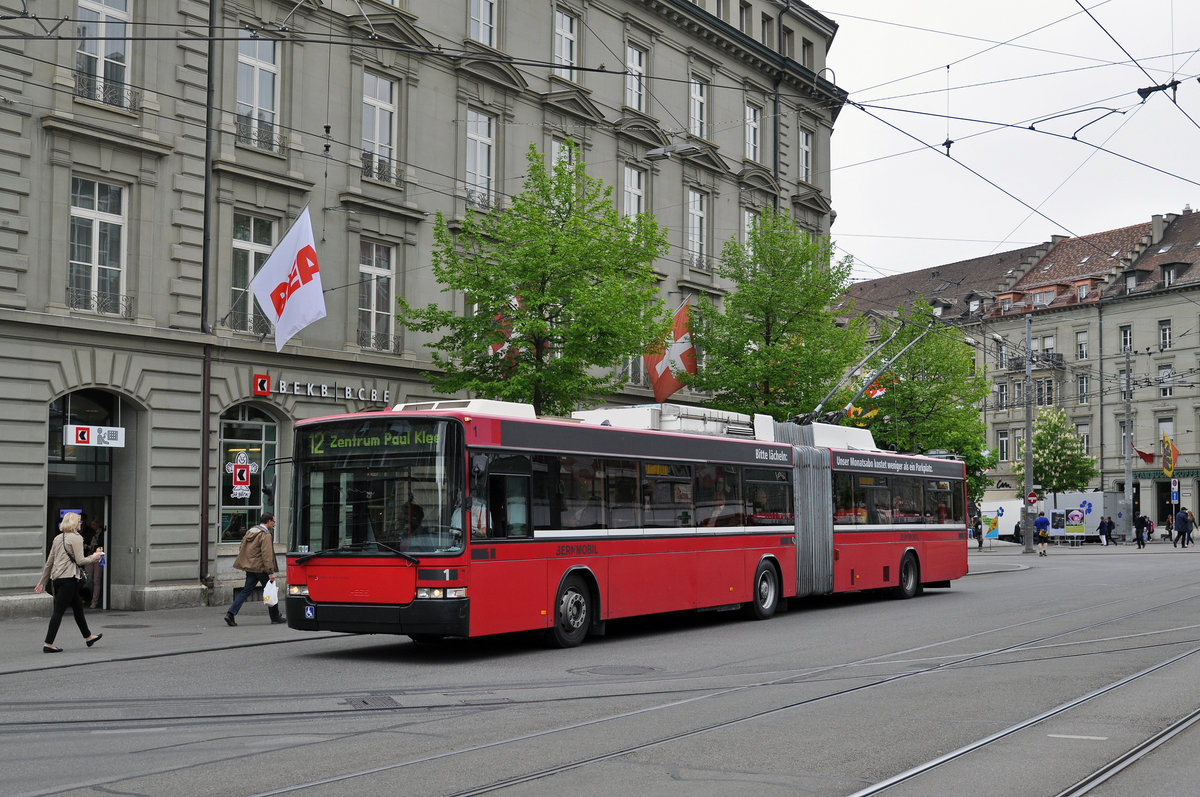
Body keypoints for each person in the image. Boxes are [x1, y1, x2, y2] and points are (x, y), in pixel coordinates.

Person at [33, 512, 103, 652]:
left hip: (58, 579)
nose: (81, 524)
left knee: (78, 609)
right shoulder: (77, 538)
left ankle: (88, 637)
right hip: (69, 579)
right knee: (58, 611)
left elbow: (49, 562)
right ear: (74, 523)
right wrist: (94, 556)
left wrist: (42, 582)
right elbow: (80, 561)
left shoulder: (58, 538)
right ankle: (48, 644)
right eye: (79, 521)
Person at [224, 512, 283, 626]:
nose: (273, 524)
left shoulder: (251, 531)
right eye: (273, 522)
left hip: (250, 567)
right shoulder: (265, 535)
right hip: (261, 569)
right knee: (271, 590)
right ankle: (275, 617)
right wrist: (270, 572)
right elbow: (267, 555)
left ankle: (230, 613)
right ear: (269, 521)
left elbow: (242, 547)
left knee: (245, 591)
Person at [83, 518, 105, 608]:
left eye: (94, 524)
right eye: (91, 524)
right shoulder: (91, 533)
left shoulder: (102, 534)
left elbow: (100, 546)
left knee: (96, 579)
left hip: (99, 557)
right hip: (90, 556)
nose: (92, 526)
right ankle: (91, 597)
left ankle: (94, 601)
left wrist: (88, 547)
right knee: (88, 578)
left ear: (98, 524)